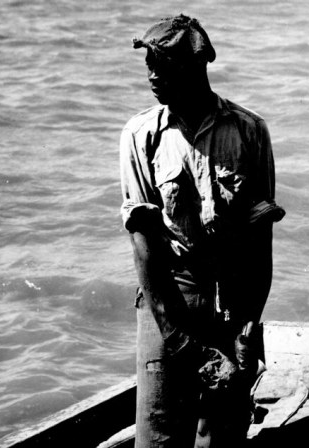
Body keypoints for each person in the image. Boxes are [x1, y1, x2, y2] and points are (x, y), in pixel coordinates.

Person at [119, 14, 285, 448]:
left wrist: (248, 326)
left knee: (222, 435)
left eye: (164, 65)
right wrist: (179, 341)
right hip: (168, 297)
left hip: (232, 300)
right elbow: (145, 247)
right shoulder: (140, 135)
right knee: (157, 439)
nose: (153, 76)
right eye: (149, 65)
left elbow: (259, 242)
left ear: (197, 66)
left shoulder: (250, 131)